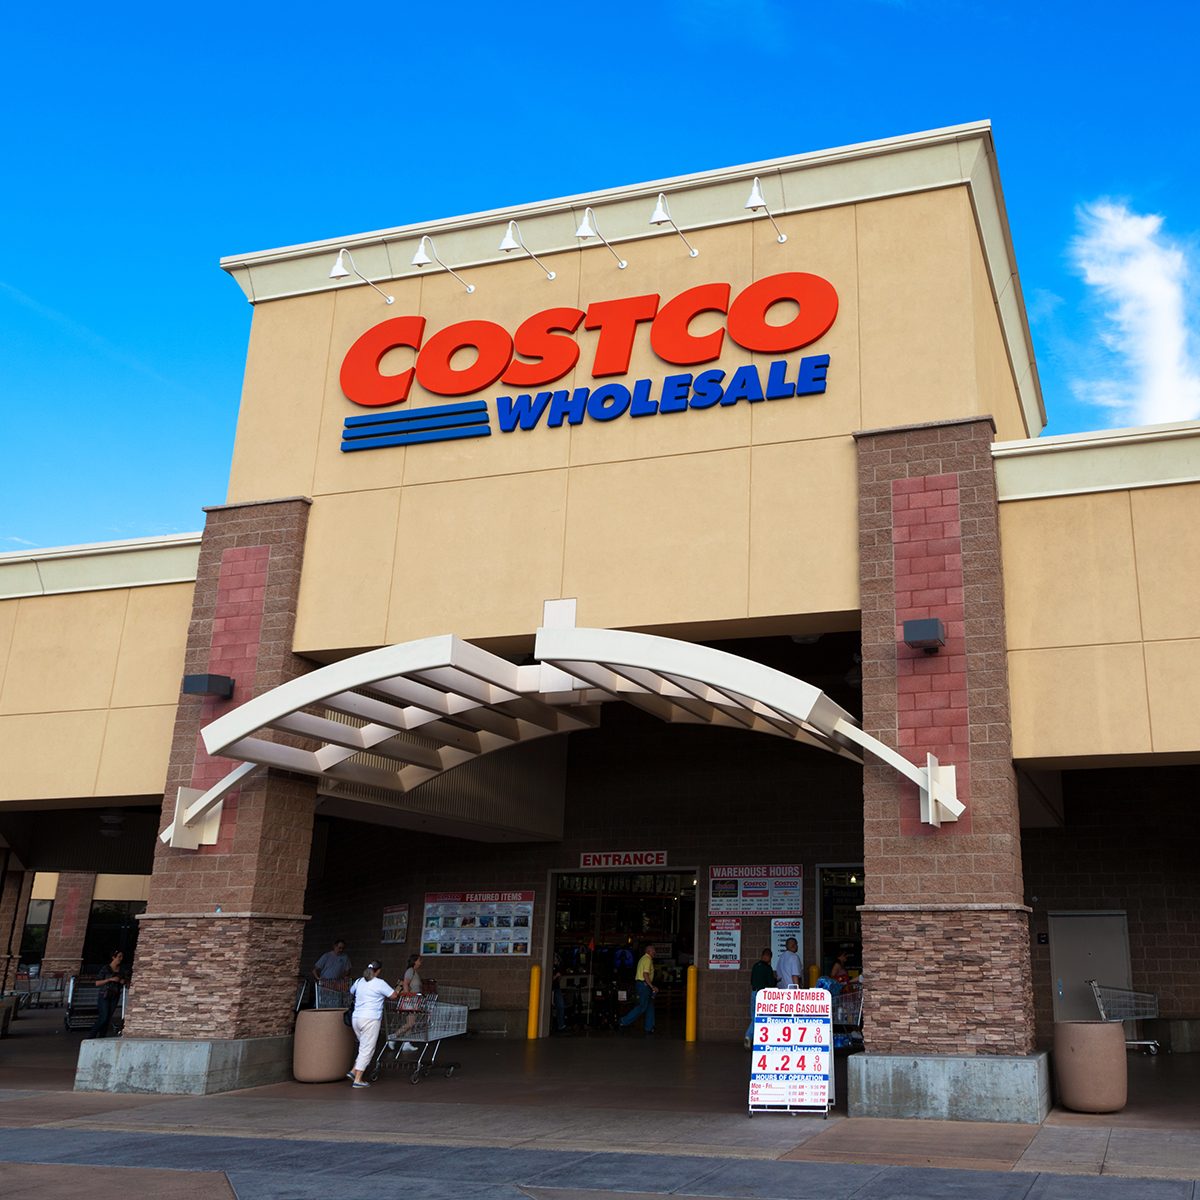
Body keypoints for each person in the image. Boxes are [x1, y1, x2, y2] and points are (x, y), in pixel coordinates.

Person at [347, 962, 400, 1087]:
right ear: (378, 971)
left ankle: (354, 1071)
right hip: (370, 1019)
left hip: (356, 1018)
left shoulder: (359, 981)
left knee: (363, 1047)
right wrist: (398, 988)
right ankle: (358, 1080)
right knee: (367, 1049)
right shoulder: (379, 983)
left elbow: (351, 991)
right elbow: (393, 996)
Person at [86, 950, 126, 1039]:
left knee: (108, 1018)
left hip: (115, 995)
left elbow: (125, 981)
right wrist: (110, 979)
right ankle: (92, 1035)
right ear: (113, 957)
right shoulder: (106, 969)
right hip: (104, 995)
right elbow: (97, 983)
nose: (120, 959)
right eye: (119, 956)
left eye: (122, 957)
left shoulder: (121, 970)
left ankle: (102, 1036)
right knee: (103, 1017)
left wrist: (122, 981)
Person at [618, 944, 656, 1035]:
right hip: (644, 985)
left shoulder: (643, 959)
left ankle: (649, 1027)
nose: (655, 952)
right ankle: (623, 1021)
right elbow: (645, 974)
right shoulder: (647, 960)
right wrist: (652, 986)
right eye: (653, 950)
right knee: (642, 1006)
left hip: (643, 985)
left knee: (650, 1006)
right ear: (648, 951)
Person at [743, 947, 776, 1049]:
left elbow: (751, 980)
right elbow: (771, 983)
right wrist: (776, 980)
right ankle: (749, 1036)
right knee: (760, 1018)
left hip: (754, 992)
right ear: (769, 957)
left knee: (754, 1017)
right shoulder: (767, 968)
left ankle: (750, 1037)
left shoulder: (755, 966)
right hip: (762, 995)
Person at [397, 953, 423, 1051]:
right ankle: (393, 1037)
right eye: (419, 960)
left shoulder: (414, 972)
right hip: (410, 1000)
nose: (420, 962)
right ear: (415, 961)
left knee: (411, 1022)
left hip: (414, 1000)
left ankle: (406, 1042)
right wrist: (407, 997)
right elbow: (405, 984)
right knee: (410, 1023)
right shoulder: (410, 971)